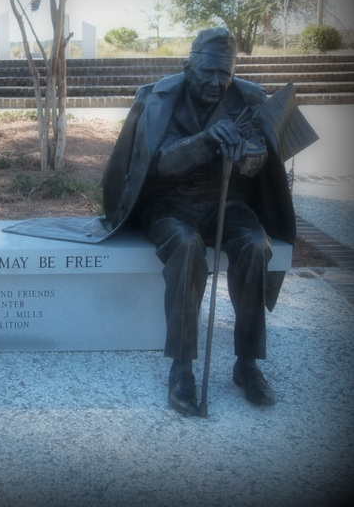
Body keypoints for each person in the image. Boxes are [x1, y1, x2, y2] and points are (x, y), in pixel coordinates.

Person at [101, 28, 296, 416]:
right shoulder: (158, 98)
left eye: (224, 74)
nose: (215, 82)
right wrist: (205, 140)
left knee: (256, 246)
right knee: (187, 247)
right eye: (207, 72)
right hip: (171, 202)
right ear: (188, 67)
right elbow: (158, 164)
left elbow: (261, 160)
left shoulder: (250, 98)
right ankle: (182, 366)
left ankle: (247, 364)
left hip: (230, 201)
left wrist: (249, 155)